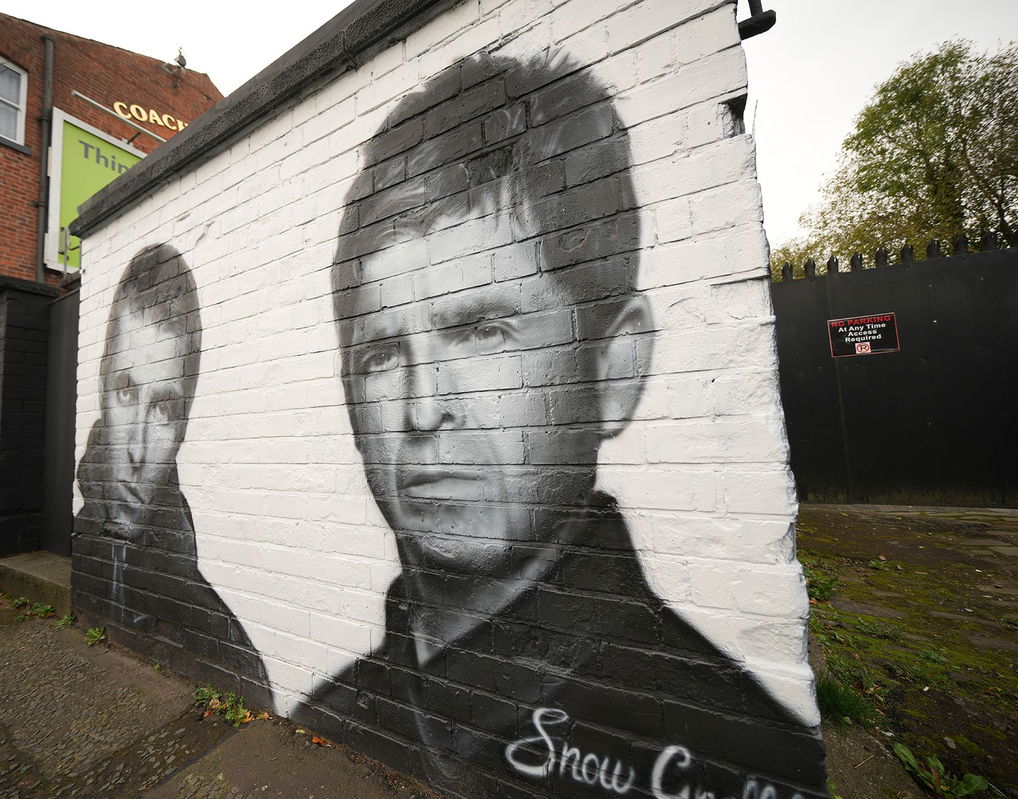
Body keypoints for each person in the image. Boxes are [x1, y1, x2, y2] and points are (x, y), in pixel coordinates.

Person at [295, 51, 828, 798]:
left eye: (482, 330)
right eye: (382, 354)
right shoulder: (330, 714)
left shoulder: (738, 758)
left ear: (613, 369)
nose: (421, 409)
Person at [72, 242, 270, 707]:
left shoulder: (227, 654)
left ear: (185, 423)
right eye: (125, 391)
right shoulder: (79, 552)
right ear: (100, 384)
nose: (137, 448)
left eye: (162, 408)